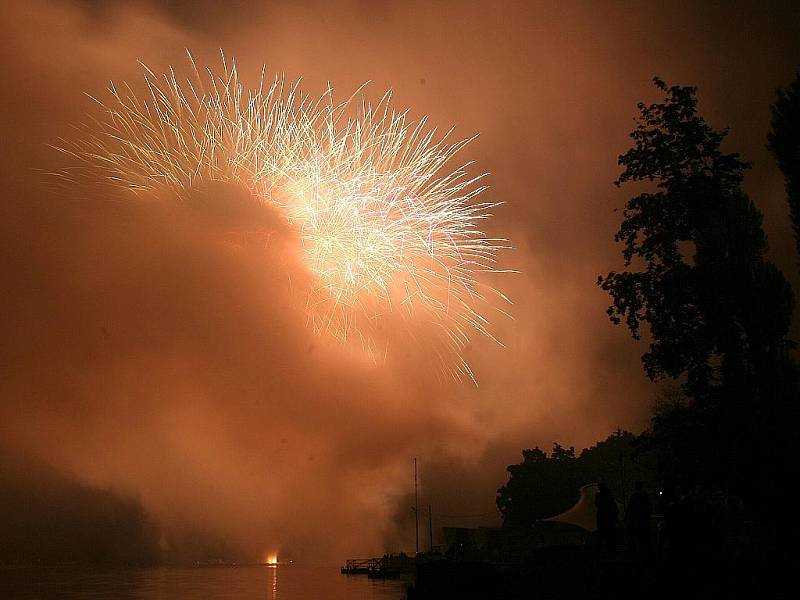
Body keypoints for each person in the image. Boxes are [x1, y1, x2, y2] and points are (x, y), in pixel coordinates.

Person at [625, 481, 652, 556]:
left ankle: (636, 553)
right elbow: (649, 507)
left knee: (636, 537)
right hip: (642, 520)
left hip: (636, 520)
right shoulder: (645, 496)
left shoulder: (634, 496)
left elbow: (630, 508)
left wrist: (627, 518)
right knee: (643, 538)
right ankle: (644, 553)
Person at [595, 482, 618, 553]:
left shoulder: (599, 496)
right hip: (608, 517)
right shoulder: (609, 496)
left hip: (604, 517)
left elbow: (597, 504)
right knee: (609, 534)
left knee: (604, 534)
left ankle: (606, 549)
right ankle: (610, 549)